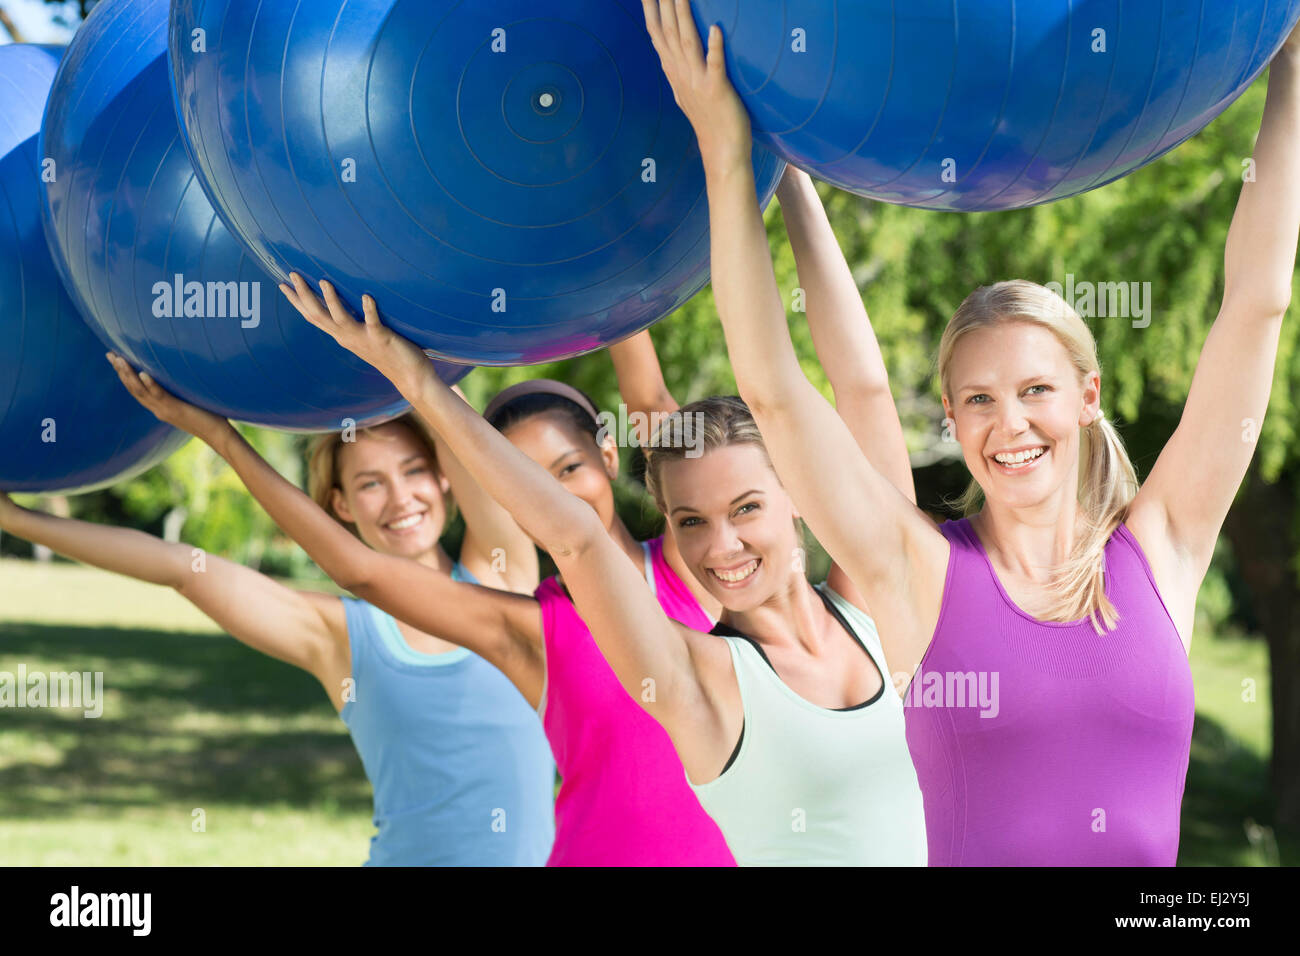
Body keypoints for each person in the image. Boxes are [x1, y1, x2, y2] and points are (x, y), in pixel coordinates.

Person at [641, 0, 1300, 864]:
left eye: (1035, 390)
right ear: (949, 418)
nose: (1010, 423)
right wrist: (731, 161)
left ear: (1088, 397)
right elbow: (775, 393)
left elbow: (1256, 304)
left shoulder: (1163, 545)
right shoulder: (915, 569)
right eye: (979, 400)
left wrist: (1289, 66)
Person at [277, 164, 930, 865]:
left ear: (799, 493)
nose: (722, 545)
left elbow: (863, 392)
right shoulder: (700, 679)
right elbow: (578, 540)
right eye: (689, 521)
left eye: (746, 508)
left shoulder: (878, 607)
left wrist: (792, 175)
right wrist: (418, 383)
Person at [0, 401, 556, 867]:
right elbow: (180, 568)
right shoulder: (341, 635)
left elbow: (457, 428)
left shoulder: (500, 580)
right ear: (339, 504)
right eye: (369, 483)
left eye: (413, 470)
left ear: (444, 478)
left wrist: (405, 364)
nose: (400, 498)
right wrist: (19, 521)